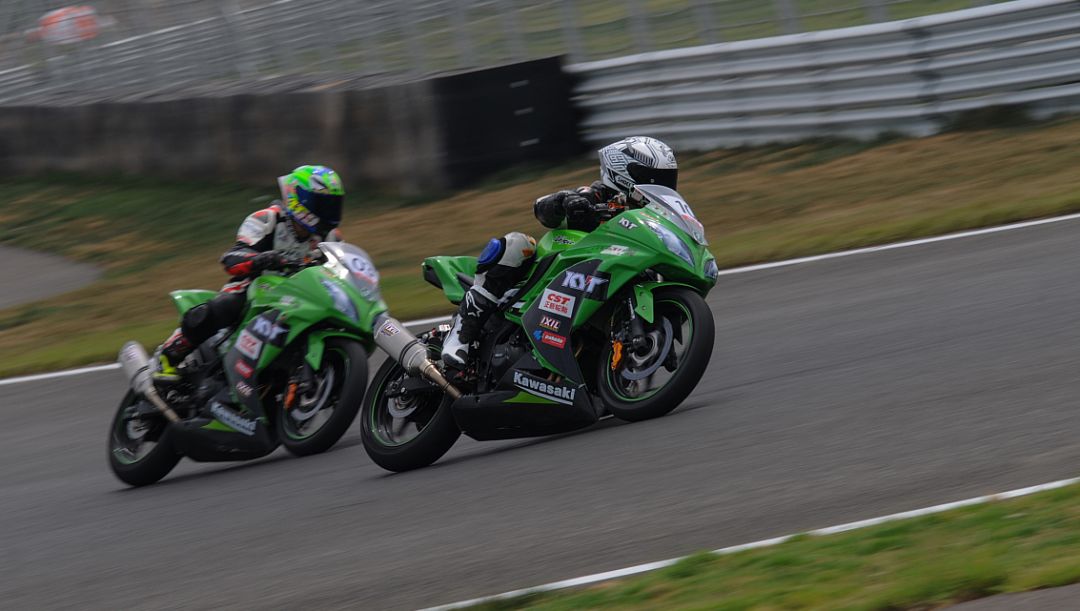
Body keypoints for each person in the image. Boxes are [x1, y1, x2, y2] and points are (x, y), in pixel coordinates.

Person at [441, 136, 679, 369]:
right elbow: (541, 208)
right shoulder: (595, 195)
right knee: (518, 244)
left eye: (666, 179)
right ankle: (461, 335)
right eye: (656, 178)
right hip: (561, 270)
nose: (662, 185)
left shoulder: (650, 220)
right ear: (625, 171)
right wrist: (566, 202)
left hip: (604, 284)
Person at [153, 165, 346, 383]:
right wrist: (260, 259)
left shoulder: (330, 237)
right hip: (257, 289)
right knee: (226, 304)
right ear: (297, 198)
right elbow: (232, 258)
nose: (328, 212)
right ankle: (168, 356)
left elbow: (342, 267)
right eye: (322, 204)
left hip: (301, 298)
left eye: (332, 205)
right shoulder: (268, 219)